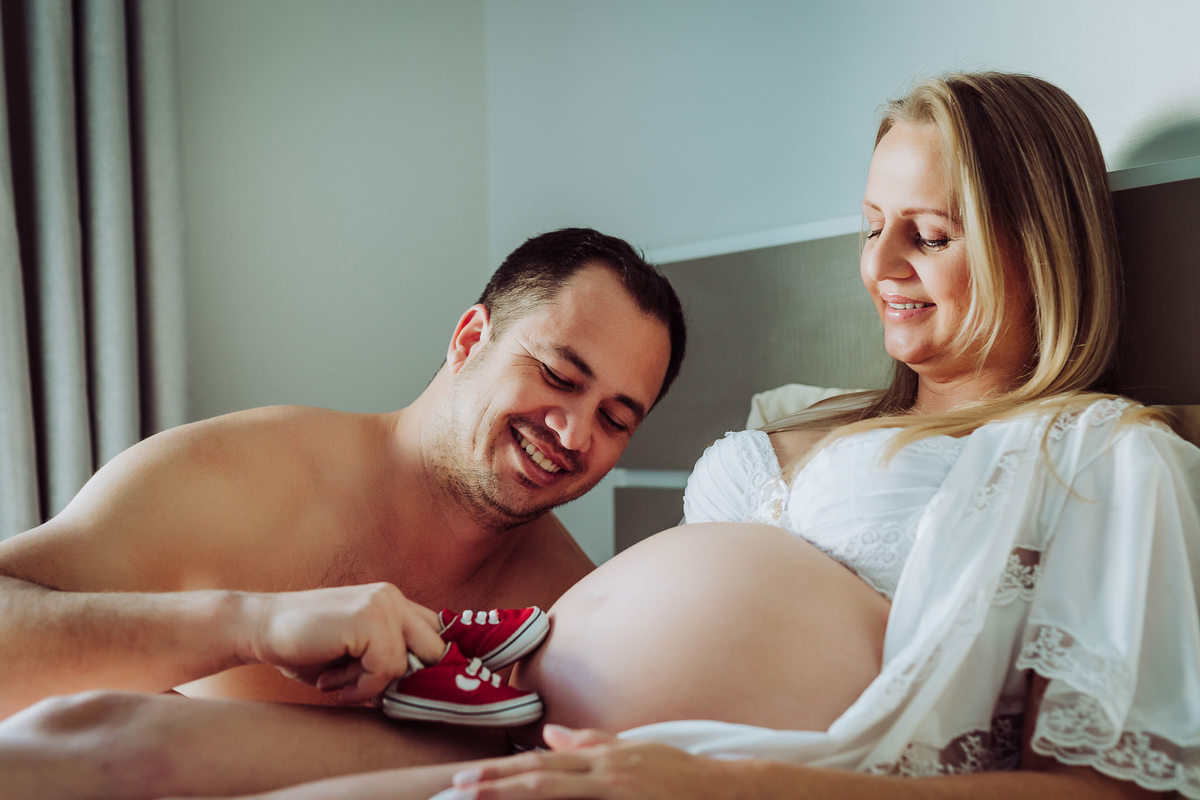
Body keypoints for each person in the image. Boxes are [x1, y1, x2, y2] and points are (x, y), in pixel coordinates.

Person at [6, 71, 1198, 800]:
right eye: (873, 223)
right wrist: (252, 625)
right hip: (529, 729)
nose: (877, 269)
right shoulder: (253, 475)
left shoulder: (1100, 456)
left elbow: (1111, 781)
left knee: (112, 753)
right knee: (80, 728)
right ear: (470, 333)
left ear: (1034, 244)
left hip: (626, 763)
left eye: (925, 233)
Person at [0, 226, 687, 723]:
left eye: (616, 419)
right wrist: (250, 624)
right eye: (559, 376)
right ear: (470, 340)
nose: (573, 434)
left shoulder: (567, 610)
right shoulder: (231, 481)